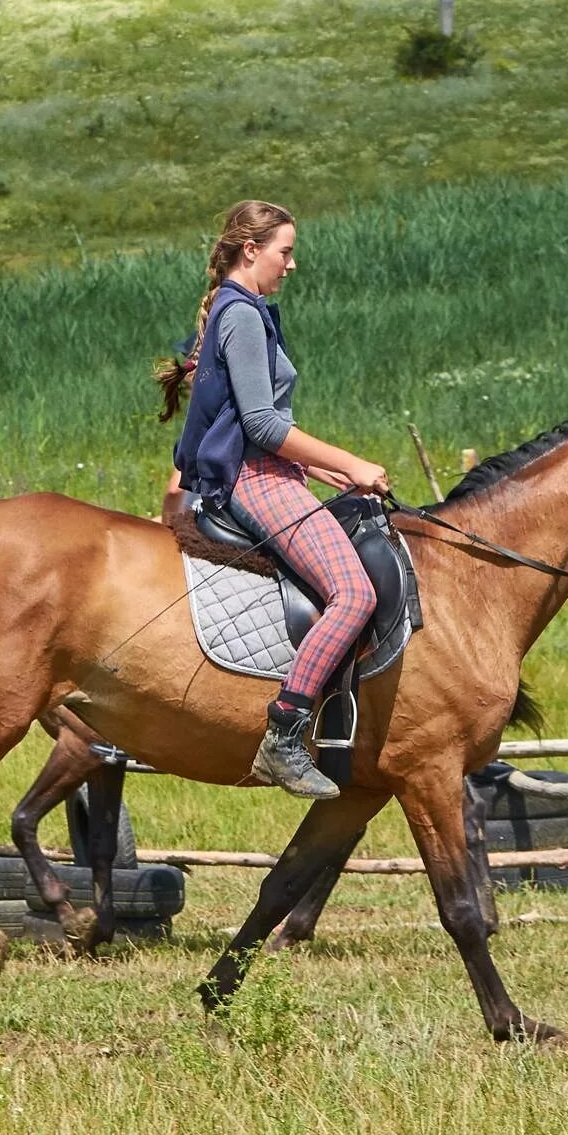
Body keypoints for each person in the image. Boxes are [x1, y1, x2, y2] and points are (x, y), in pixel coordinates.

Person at [160, 201, 389, 801]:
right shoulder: (240, 316)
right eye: (285, 251)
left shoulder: (246, 312)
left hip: (275, 474)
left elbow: (250, 418)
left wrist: (318, 468)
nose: (292, 263)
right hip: (255, 481)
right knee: (355, 592)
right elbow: (261, 424)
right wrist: (351, 461)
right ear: (250, 249)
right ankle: (284, 734)